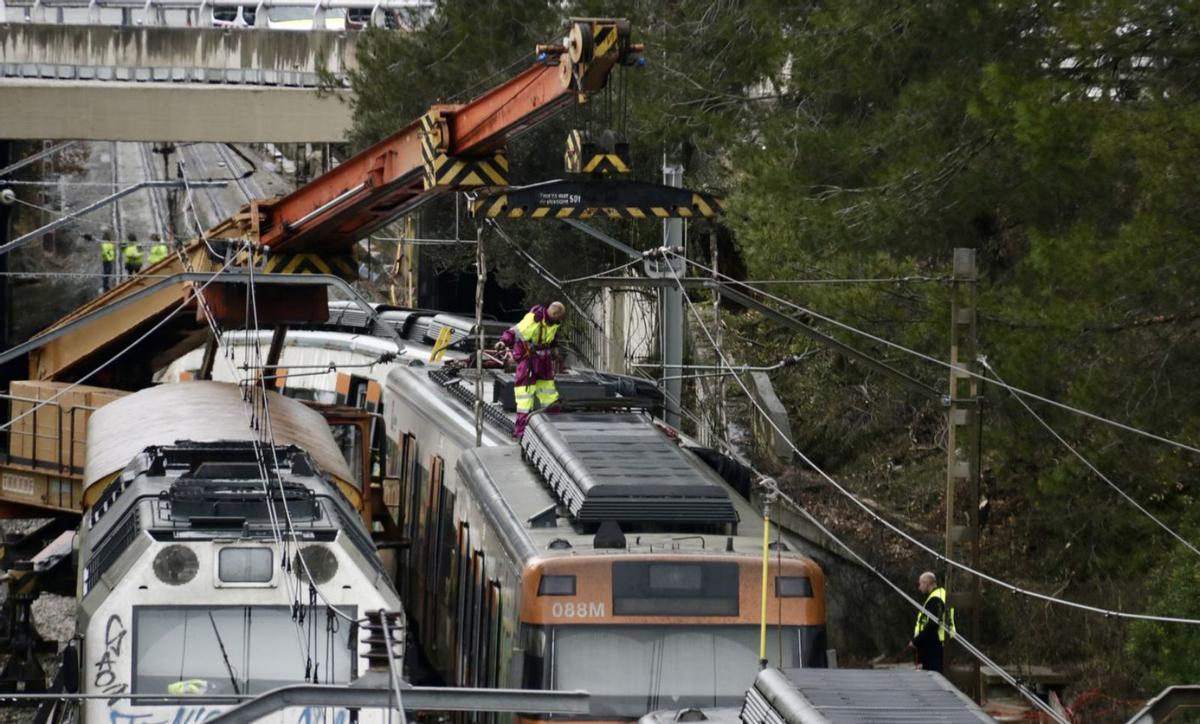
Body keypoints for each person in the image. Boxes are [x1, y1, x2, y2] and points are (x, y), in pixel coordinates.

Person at [496, 301, 566, 438]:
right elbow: (514, 332)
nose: (560, 321)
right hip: (529, 363)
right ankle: (521, 432)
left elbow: (549, 339)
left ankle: (554, 427)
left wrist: (554, 348)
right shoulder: (534, 320)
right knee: (525, 398)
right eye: (559, 317)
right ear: (554, 314)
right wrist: (503, 341)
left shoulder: (552, 323)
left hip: (543, 363)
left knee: (550, 396)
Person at [905, 571, 955, 673]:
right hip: (941, 642)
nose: (919, 588)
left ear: (926, 583)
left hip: (935, 645)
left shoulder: (935, 599)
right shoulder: (941, 594)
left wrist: (916, 641)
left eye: (920, 584)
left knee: (934, 676)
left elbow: (933, 625)